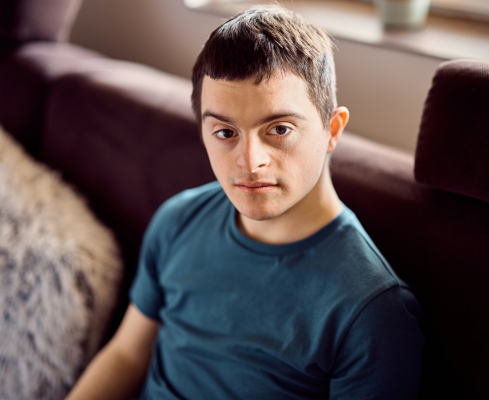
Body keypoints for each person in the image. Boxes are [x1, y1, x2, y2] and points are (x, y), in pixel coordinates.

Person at [66, 5, 423, 400]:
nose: (250, 162)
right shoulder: (178, 221)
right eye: (225, 132)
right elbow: (127, 356)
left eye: (279, 129)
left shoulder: (372, 312)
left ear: (332, 130)